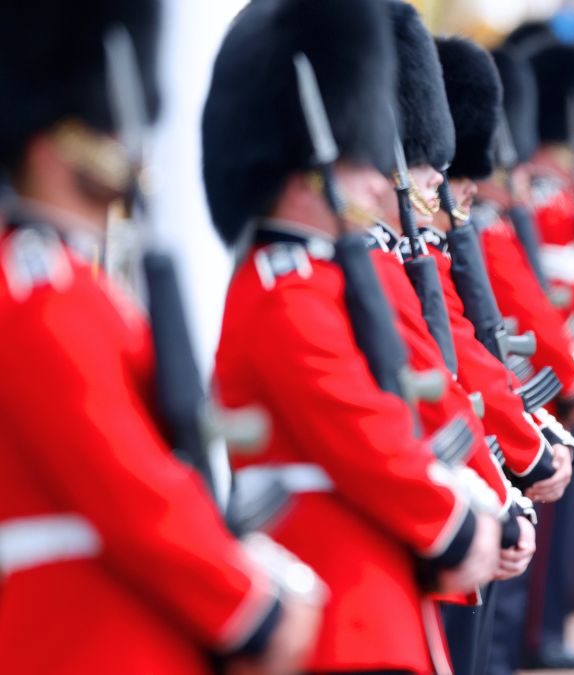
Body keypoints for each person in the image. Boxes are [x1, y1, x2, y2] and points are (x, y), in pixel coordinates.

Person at [0, 1, 321, 673]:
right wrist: (247, 604)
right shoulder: (39, 291)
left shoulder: (69, 285)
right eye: (103, 127)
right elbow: (122, 476)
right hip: (81, 638)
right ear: (51, 143)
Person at [203, 0, 502, 672]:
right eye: (356, 156)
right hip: (344, 614)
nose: (376, 177)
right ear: (307, 167)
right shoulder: (286, 288)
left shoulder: (324, 277)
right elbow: (361, 429)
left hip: (379, 599)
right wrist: (460, 519)